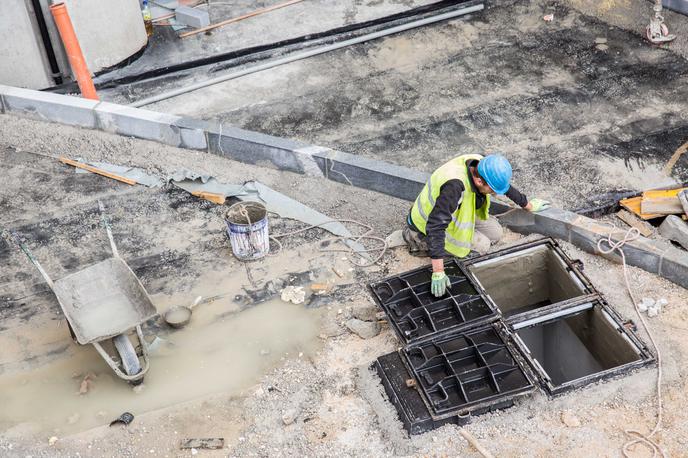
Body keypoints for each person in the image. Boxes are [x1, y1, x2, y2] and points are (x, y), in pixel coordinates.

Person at [403, 153, 550, 297]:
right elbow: (435, 226)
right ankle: (418, 242)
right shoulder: (454, 187)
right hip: (426, 226)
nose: (493, 193)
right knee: (483, 246)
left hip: (455, 213)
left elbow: (503, 187)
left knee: (496, 233)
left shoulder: (482, 164)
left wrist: (528, 205)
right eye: (492, 191)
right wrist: (438, 272)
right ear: (480, 182)